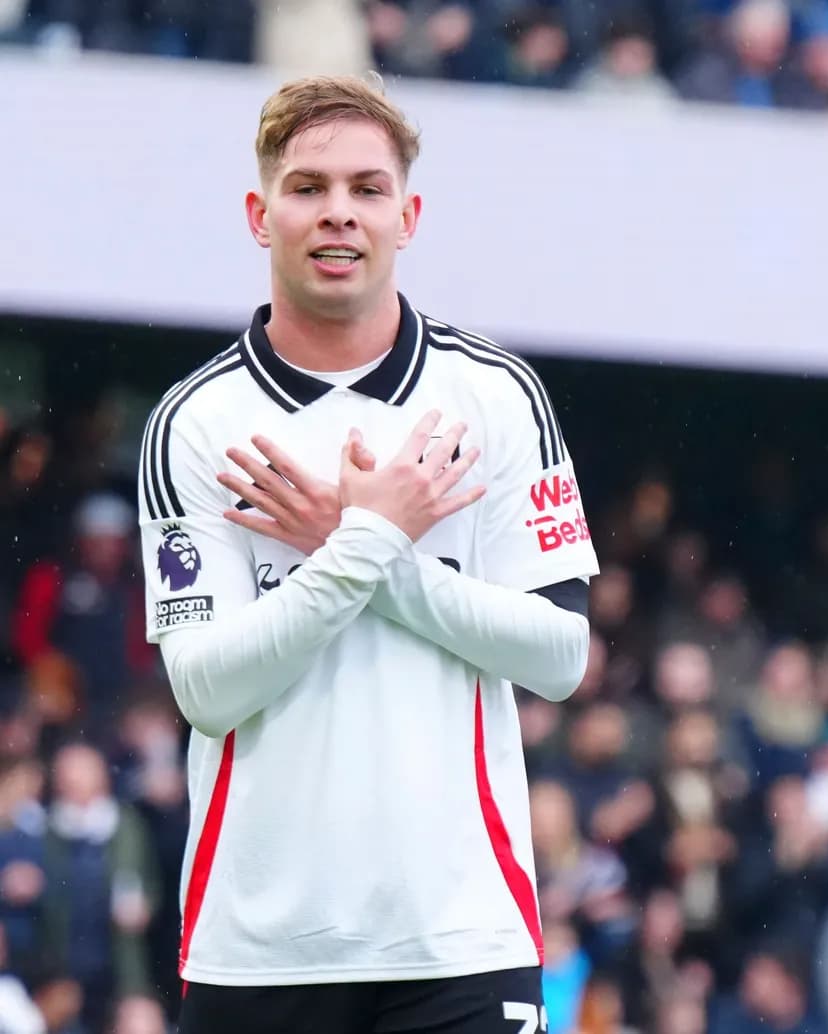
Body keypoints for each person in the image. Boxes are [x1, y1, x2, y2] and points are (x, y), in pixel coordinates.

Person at [136, 74, 599, 1032]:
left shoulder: (497, 395)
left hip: (463, 938)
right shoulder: (196, 422)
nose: (337, 214)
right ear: (261, 215)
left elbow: (559, 657)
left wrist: (363, 549)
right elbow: (206, 691)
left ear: (409, 213)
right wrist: (376, 535)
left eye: (366, 188)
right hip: (258, 946)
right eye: (308, 189)